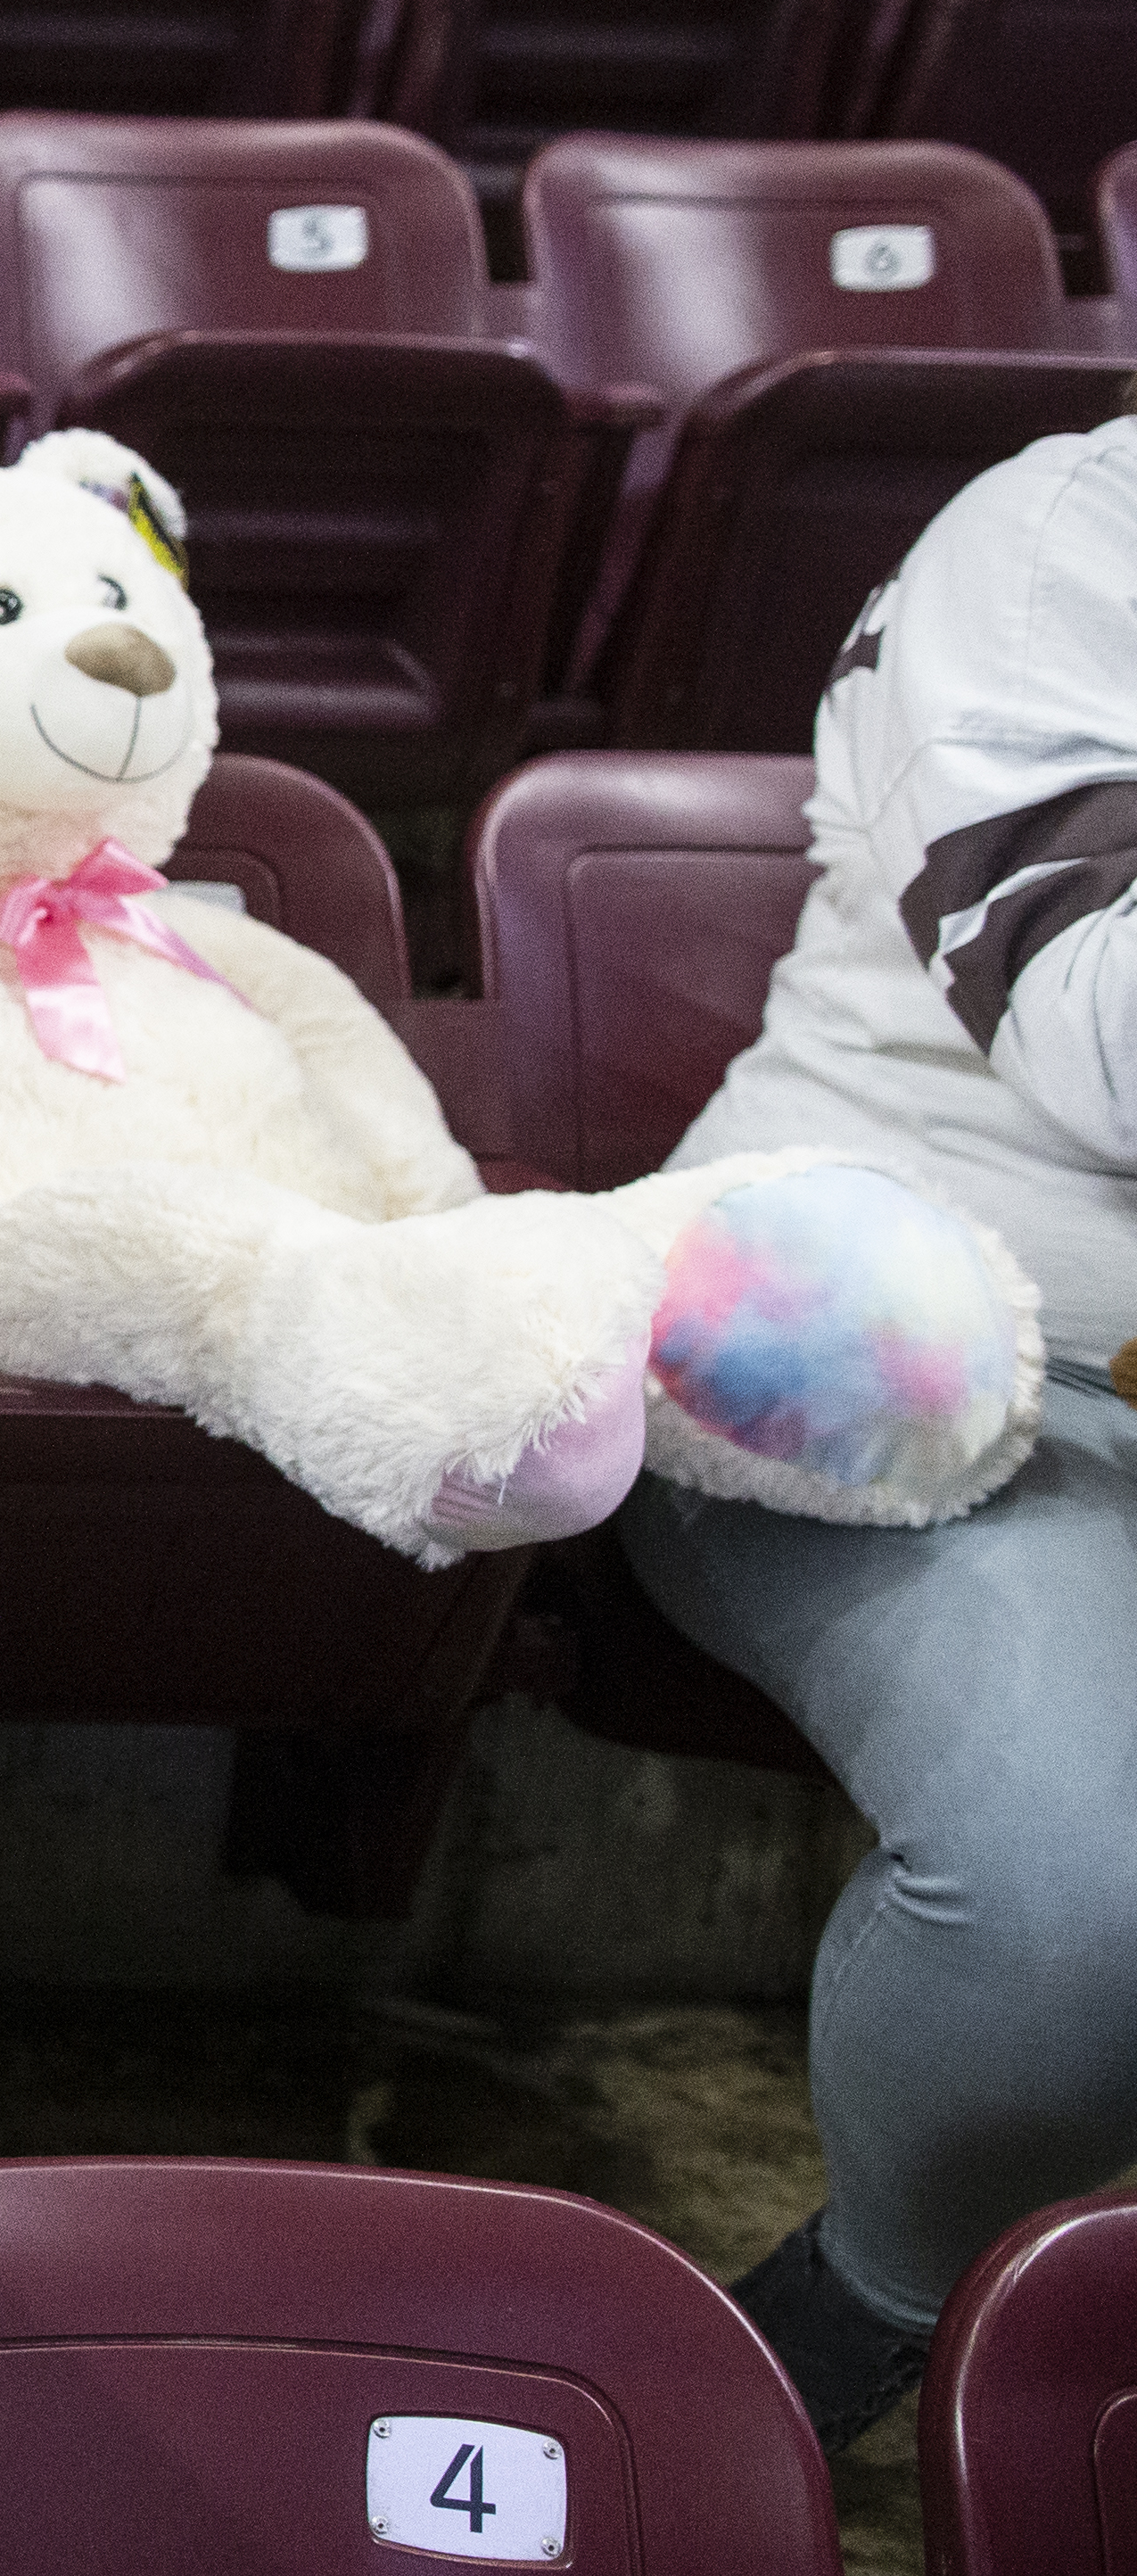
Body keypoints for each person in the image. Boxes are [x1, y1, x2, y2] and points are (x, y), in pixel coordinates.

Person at [618, 400, 1137, 2453]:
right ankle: (855, 2328)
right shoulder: (1067, 532)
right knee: (1075, 1897)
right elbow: (1103, 1032)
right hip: (920, 1376)